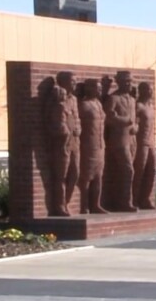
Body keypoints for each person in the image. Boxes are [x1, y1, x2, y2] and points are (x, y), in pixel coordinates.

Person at [46, 71, 81, 216]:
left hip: (74, 141)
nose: (74, 84)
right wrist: (63, 131)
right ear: (63, 82)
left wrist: (78, 128)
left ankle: (66, 201)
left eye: (75, 81)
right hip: (62, 143)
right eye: (72, 81)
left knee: (75, 173)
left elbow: (77, 117)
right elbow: (51, 118)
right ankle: (59, 206)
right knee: (61, 175)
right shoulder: (56, 98)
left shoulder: (73, 99)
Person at [103, 71, 138, 212]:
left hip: (131, 139)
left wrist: (135, 126)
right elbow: (108, 118)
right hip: (118, 141)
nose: (129, 84)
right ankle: (125, 202)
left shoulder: (132, 100)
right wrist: (125, 121)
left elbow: (135, 119)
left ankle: (122, 200)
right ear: (119, 82)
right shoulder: (114, 98)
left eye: (130, 81)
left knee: (125, 172)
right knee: (128, 170)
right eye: (126, 81)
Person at [77, 78, 108, 214]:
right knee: (87, 176)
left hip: (100, 145)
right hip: (88, 145)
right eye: (97, 88)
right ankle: (84, 205)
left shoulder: (98, 104)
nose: (100, 91)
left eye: (101, 88)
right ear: (89, 88)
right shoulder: (84, 105)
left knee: (98, 176)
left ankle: (96, 204)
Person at [132, 81, 156, 209]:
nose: (151, 92)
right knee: (139, 171)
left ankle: (145, 198)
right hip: (141, 142)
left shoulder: (151, 106)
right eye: (148, 89)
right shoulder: (138, 106)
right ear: (142, 91)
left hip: (151, 142)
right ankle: (134, 199)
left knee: (151, 170)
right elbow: (134, 123)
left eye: (152, 89)